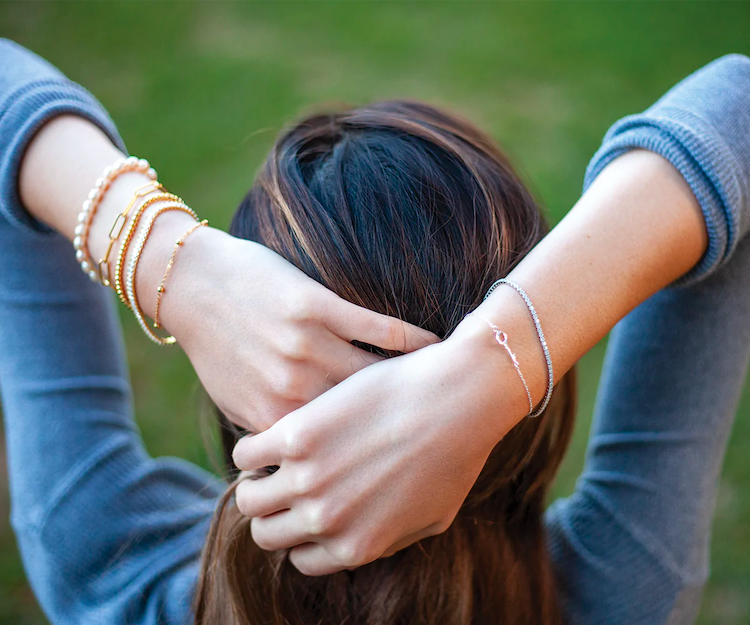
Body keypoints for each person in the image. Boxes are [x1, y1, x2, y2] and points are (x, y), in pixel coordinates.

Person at [1, 36, 748, 624]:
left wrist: (178, 266)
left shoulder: (105, 565)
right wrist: (497, 367)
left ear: (240, 392)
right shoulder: (621, 593)